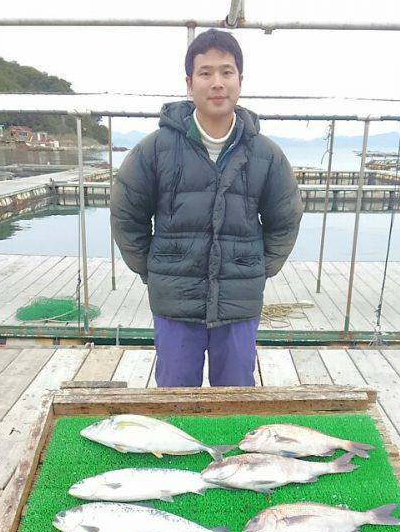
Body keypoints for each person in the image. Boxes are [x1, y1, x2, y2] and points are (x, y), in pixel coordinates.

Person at [111, 29, 303, 387]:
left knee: (234, 403)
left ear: (240, 81)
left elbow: (286, 219)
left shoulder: (266, 155)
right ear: (189, 83)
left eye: (227, 72)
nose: (217, 82)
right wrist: (155, 270)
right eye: (206, 72)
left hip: (238, 305)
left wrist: (258, 268)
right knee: (174, 398)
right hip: (174, 305)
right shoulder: (154, 150)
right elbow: (127, 216)